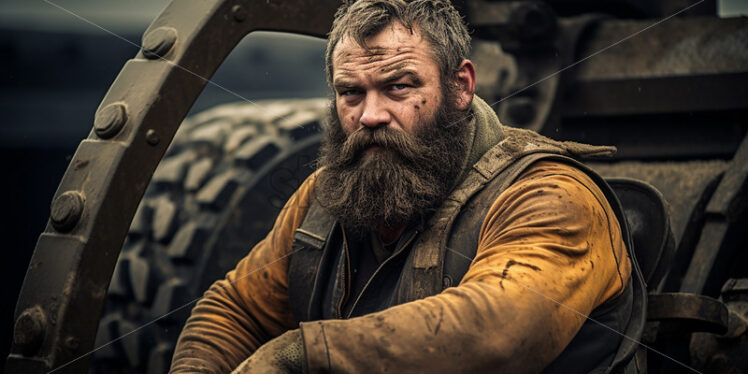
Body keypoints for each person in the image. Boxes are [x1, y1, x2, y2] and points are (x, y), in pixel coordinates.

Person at [169, 0, 640, 373]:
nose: (370, 116)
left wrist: (304, 353)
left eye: (398, 87)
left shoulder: (552, 196)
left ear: (460, 86)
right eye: (351, 92)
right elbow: (237, 310)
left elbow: (495, 333)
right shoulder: (325, 195)